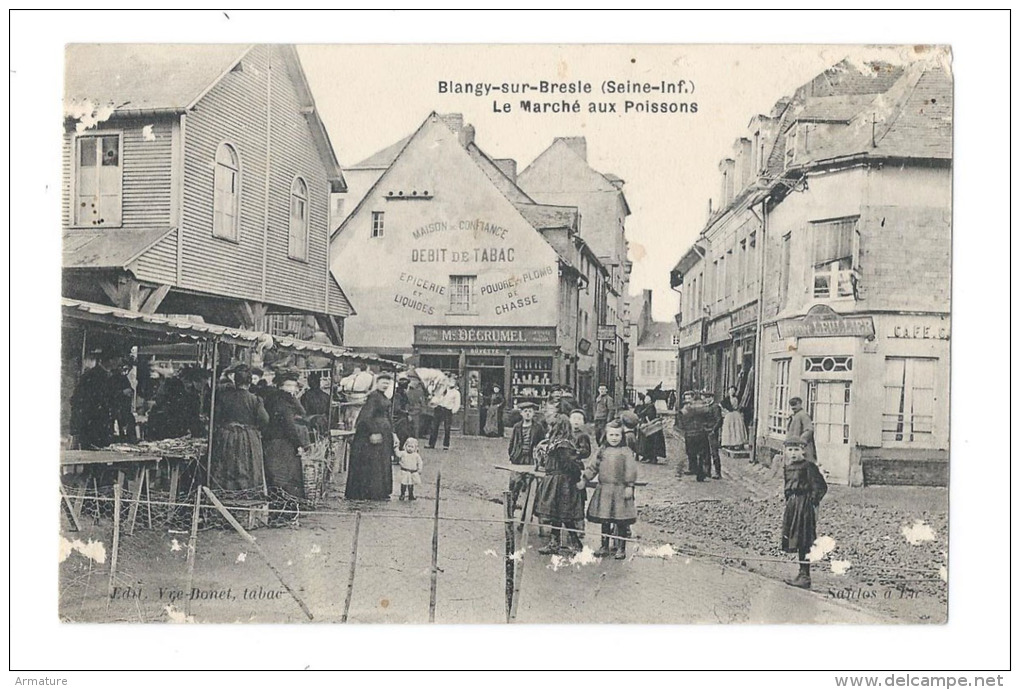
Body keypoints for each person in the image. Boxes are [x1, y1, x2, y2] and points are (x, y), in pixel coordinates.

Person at [580, 420, 640, 559]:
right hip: (605, 489)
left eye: (617, 435)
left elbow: (630, 470)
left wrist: (629, 486)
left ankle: (621, 548)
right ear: (606, 436)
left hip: (620, 490)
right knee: (605, 519)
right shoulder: (602, 450)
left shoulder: (626, 452)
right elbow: (593, 466)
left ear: (622, 436)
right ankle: (604, 545)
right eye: (611, 435)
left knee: (620, 520)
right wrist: (585, 479)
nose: (614, 438)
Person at [210, 363, 269, 492]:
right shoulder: (255, 400)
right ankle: (245, 495)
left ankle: (225, 494)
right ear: (249, 382)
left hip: (227, 436)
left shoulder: (224, 397)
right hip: (247, 437)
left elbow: (216, 417)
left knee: (226, 466)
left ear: (235, 381)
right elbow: (264, 420)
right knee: (247, 466)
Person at [533, 415, 586, 555]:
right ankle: (555, 543)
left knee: (564, 515)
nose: (549, 429)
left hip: (562, 484)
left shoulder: (563, 445)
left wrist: (576, 478)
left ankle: (575, 543)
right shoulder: (556, 443)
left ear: (558, 428)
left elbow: (571, 465)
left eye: (551, 426)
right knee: (556, 515)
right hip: (555, 482)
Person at [781, 439, 828, 589]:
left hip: (804, 506)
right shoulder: (788, 467)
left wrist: (811, 502)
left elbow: (820, 486)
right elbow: (787, 487)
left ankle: (805, 575)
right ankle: (801, 572)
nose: (793, 453)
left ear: (803, 451)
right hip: (793, 506)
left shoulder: (809, 467)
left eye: (796, 450)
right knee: (795, 537)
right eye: (790, 450)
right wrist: (789, 500)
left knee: (804, 539)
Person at [346, 372, 395, 500]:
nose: (385, 385)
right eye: (383, 382)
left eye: (387, 383)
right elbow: (366, 417)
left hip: (383, 433)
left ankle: (380, 491)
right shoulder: (373, 397)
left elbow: (387, 416)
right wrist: (373, 431)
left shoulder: (383, 396)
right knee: (373, 463)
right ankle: (372, 492)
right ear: (377, 383)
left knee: (380, 462)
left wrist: (392, 433)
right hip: (372, 435)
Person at [262, 368, 309, 499]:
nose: (291, 388)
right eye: (288, 385)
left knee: (274, 475)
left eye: (293, 385)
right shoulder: (283, 401)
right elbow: (288, 425)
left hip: (272, 440)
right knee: (285, 476)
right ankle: (286, 506)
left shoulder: (274, 398)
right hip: (282, 443)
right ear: (281, 386)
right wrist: (298, 444)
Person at [70, 353, 121, 449]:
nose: (119, 362)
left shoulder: (112, 376)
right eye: (118, 359)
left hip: (105, 426)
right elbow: (78, 400)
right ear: (110, 360)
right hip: (92, 426)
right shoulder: (91, 376)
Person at [507, 402, 545, 508]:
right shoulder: (517, 427)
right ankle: (512, 505)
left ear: (533, 413)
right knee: (515, 483)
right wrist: (512, 455)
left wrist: (539, 458)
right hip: (518, 459)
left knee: (531, 483)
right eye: (525, 411)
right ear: (521, 413)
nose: (528, 414)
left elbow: (542, 444)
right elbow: (512, 443)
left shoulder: (538, 427)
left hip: (531, 459)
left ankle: (529, 508)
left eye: (530, 411)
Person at [428, 373, 461, 450]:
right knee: (434, 427)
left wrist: (452, 411)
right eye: (450, 380)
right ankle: (431, 444)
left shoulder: (456, 393)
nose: (451, 382)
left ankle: (446, 445)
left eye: (453, 380)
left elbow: (457, 403)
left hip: (447, 410)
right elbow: (436, 397)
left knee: (447, 428)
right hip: (439, 408)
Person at [636, 393, 667, 464]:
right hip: (647, 427)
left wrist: (645, 418)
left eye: (648, 398)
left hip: (651, 428)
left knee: (652, 443)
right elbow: (638, 413)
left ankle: (652, 457)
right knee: (647, 443)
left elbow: (648, 416)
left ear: (650, 400)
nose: (646, 399)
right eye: (646, 398)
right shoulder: (645, 406)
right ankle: (647, 456)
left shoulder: (651, 407)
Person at [785, 396, 817, 464]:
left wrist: (801, 441)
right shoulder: (794, 416)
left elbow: (809, 429)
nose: (793, 407)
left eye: (795, 404)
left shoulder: (803, 415)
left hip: (802, 447)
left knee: (805, 464)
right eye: (791, 405)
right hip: (793, 446)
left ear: (800, 404)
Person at [394, 436, 424, 501]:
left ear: (415, 448)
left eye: (412, 447)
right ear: (405, 446)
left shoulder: (416, 455)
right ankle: (402, 494)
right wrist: (396, 448)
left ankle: (411, 494)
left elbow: (420, 462)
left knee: (411, 484)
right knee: (403, 484)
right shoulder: (403, 453)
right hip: (404, 471)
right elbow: (398, 454)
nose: (410, 448)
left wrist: (420, 469)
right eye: (408, 446)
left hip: (412, 472)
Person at [720, 385, 748, 450]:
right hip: (729, 414)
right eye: (731, 390)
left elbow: (740, 406)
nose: (732, 392)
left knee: (737, 428)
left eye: (733, 390)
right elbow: (721, 405)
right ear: (728, 391)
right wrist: (725, 411)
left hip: (736, 414)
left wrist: (739, 409)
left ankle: (739, 443)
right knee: (729, 429)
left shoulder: (737, 399)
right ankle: (729, 443)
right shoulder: (726, 399)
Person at [391, 374, 414, 447]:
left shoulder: (403, 394)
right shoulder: (398, 395)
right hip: (399, 417)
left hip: (402, 417)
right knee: (403, 434)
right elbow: (397, 408)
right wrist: (407, 413)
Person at [405, 371, 427, 439]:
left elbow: (422, 401)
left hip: (413, 410)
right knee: (411, 426)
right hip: (411, 410)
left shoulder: (416, 390)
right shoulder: (407, 389)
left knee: (413, 426)